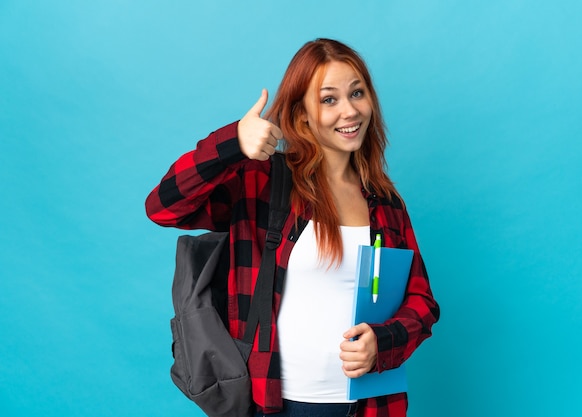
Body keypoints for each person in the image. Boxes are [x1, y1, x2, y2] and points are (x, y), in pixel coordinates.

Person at [145, 38, 439, 417]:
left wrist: (383, 342)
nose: (349, 111)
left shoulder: (386, 204)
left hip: (369, 406)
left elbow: (421, 301)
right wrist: (231, 143)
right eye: (329, 99)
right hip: (276, 404)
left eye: (357, 93)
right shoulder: (262, 182)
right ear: (302, 115)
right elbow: (164, 207)